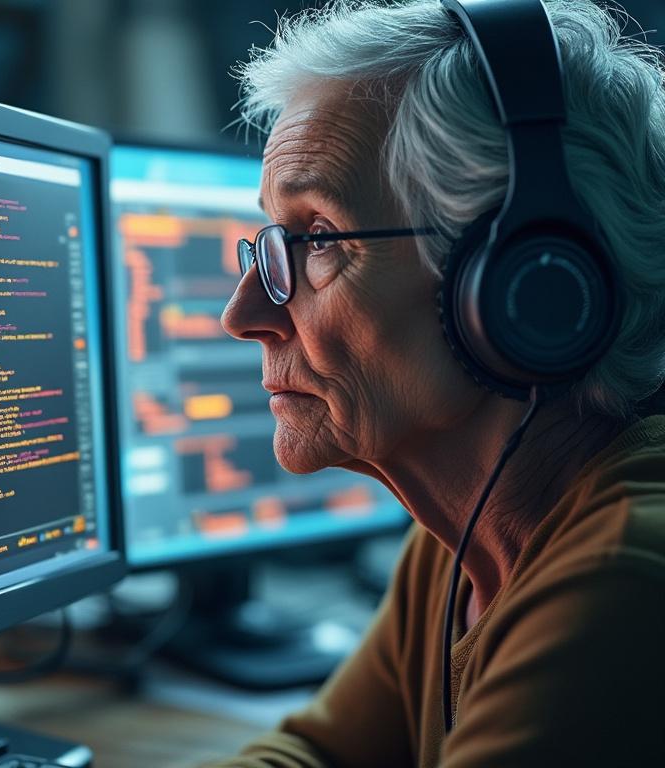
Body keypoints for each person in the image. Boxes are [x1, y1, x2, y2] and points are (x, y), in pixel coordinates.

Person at [203, 1, 665, 766]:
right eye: (267, 242)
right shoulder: (466, 541)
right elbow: (316, 756)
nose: (242, 313)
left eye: (316, 238)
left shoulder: (620, 580)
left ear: (521, 289)